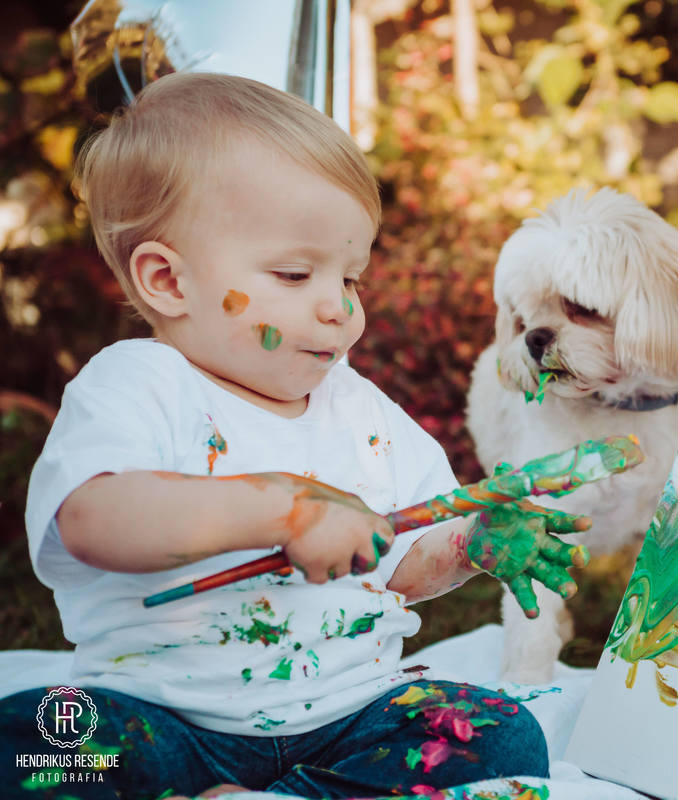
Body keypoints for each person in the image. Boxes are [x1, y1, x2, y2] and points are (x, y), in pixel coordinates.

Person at [0, 71, 590, 800]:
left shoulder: (362, 411)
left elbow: (399, 562)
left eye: (352, 280)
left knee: (498, 734)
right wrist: (283, 509)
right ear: (168, 282)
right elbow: (94, 519)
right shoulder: (139, 384)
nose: (339, 310)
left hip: (349, 718)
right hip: (161, 720)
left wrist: (469, 546)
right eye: (294, 272)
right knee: (35, 744)